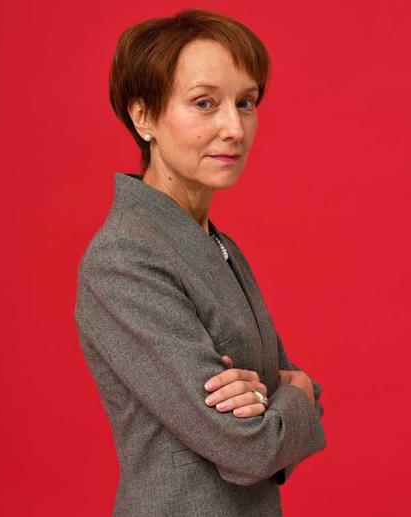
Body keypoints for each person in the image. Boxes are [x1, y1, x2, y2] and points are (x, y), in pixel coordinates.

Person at [75, 9, 325, 515]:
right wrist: (295, 395)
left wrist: (275, 395)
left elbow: (277, 396)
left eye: (246, 102)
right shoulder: (124, 258)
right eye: (204, 103)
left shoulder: (216, 242)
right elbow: (249, 444)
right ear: (143, 116)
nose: (234, 128)